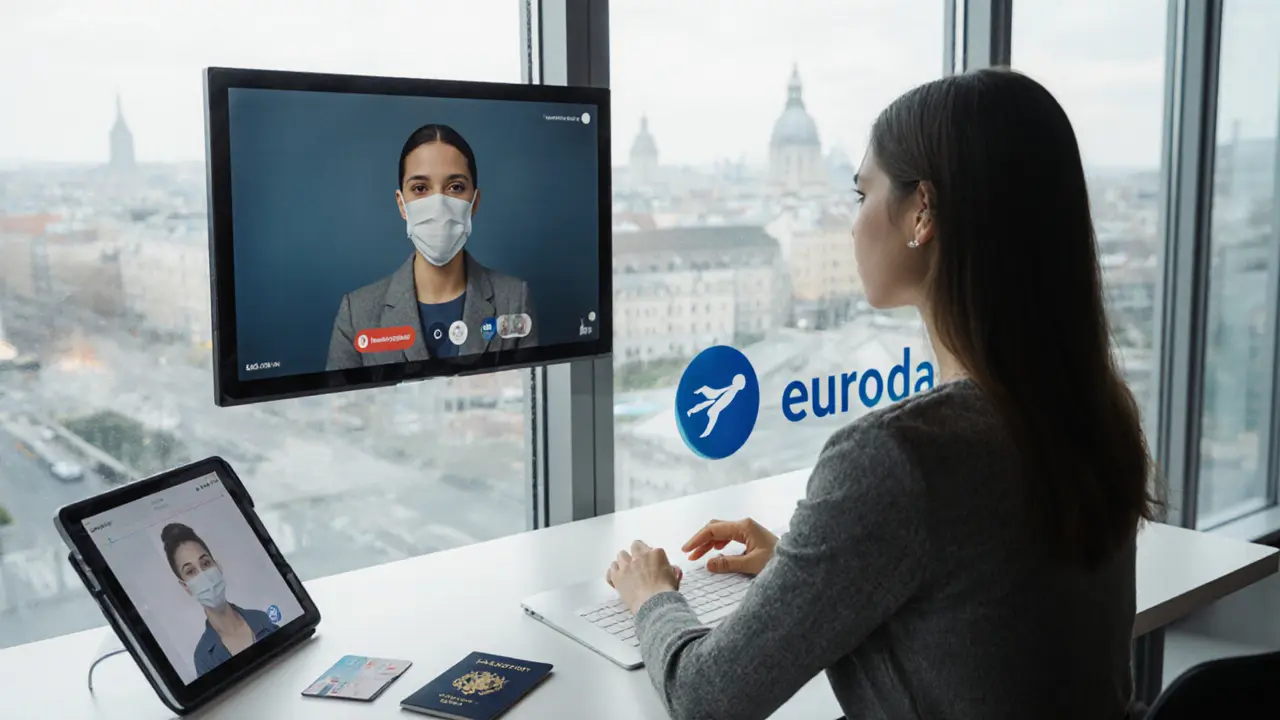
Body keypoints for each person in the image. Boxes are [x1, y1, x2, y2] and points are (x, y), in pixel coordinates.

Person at [605, 68, 1162, 720]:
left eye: (860, 192)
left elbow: (705, 699)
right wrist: (808, 570)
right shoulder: (1092, 406)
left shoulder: (897, 457)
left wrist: (650, 595)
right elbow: (984, 605)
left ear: (922, 211)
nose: (850, 225)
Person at [326, 124, 537, 370]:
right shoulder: (356, 314)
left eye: (455, 187)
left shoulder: (514, 300)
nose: (438, 205)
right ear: (402, 205)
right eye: (420, 188)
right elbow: (340, 406)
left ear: (474, 202)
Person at [160, 522, 277, 678]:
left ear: (218, 566)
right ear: (185, 586)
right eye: (191, 571)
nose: (204, 575)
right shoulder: (203, 657)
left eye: (206, 563)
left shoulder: (261, 618)